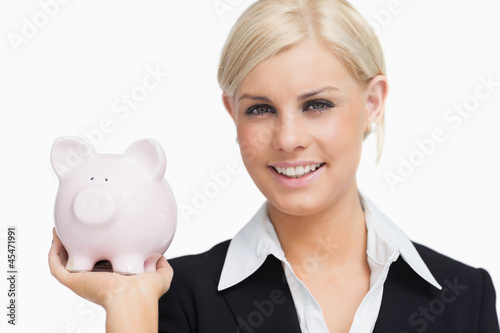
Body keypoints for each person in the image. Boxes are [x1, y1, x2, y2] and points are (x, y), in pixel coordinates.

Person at [49, 0, 500, 332]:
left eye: (317, 104)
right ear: (232, 113)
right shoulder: (173, 297)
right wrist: (126, 304)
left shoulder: (466, 297)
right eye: (260, 109)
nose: (287, 139)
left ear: (373, 102)